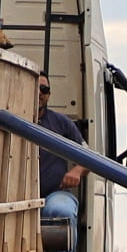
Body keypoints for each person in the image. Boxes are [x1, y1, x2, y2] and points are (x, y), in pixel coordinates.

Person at [36, 73, 87, 233]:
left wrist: (77, 170)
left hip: (54, 193)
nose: (39, 92)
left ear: (49, 95)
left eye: (44, 89)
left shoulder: (62, 123)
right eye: (35, 87)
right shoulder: (9, 119)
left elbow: (89, 158)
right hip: (14, 197)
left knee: (62, 212)